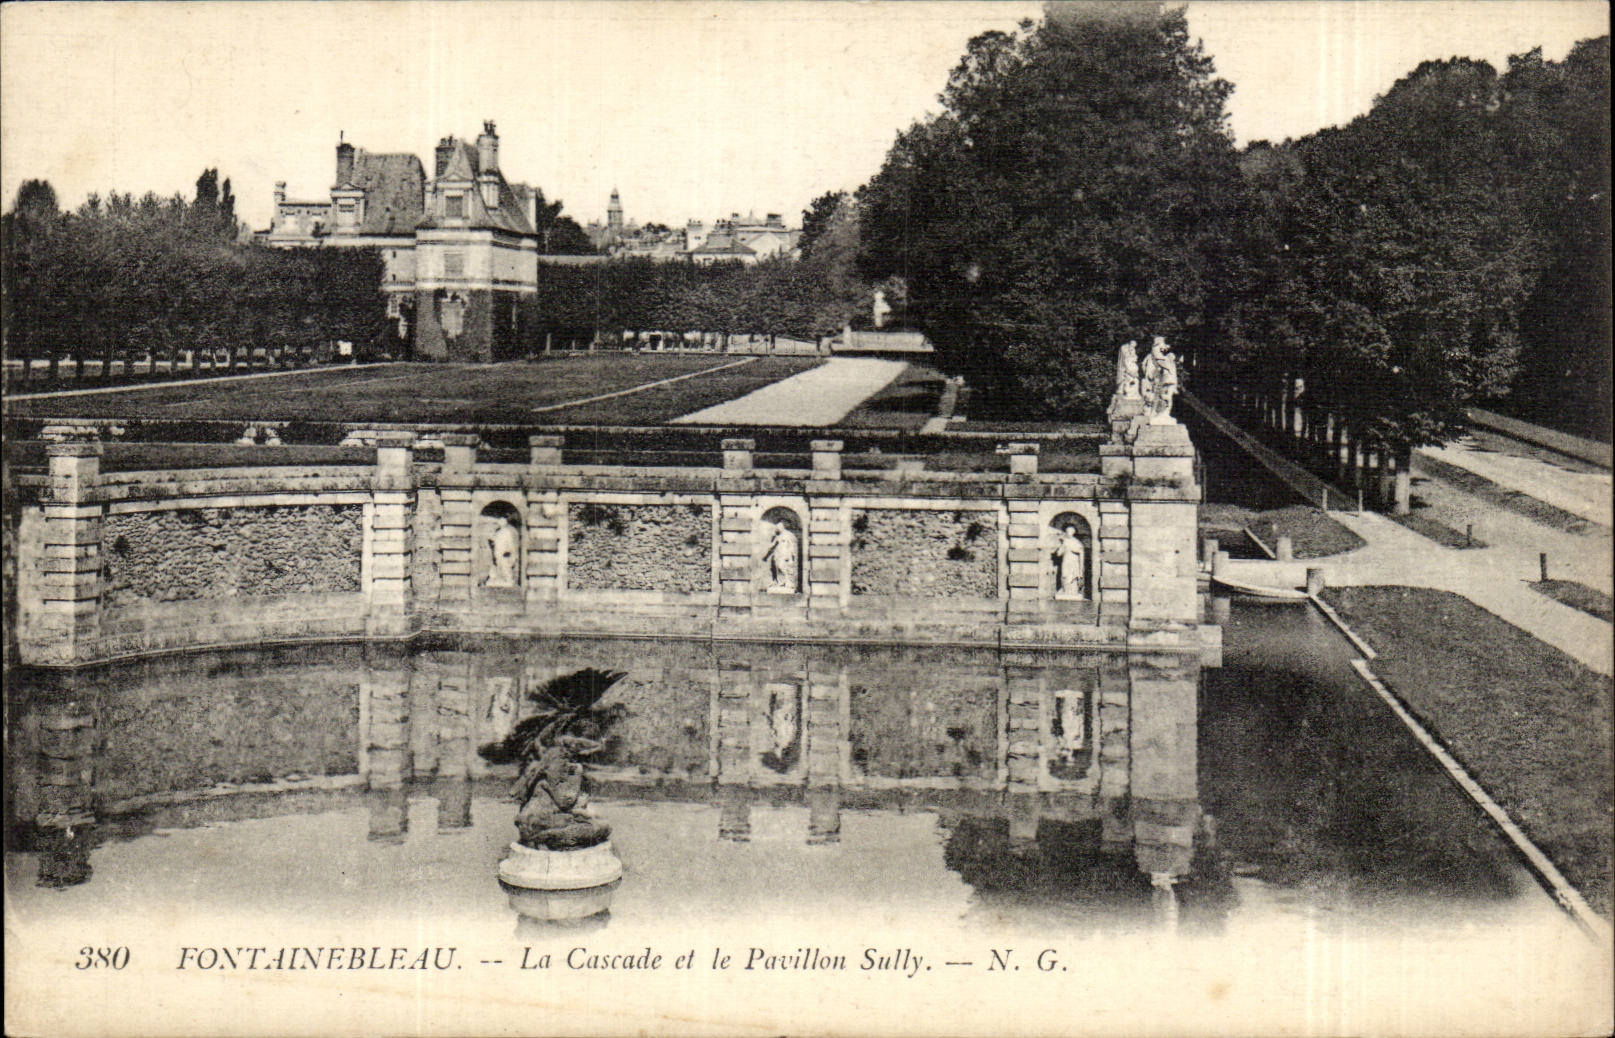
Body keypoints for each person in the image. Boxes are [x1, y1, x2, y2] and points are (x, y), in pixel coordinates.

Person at [1142, 336, 1179, 421]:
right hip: (1163, 378)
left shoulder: (1158, 354)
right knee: (1162, 395)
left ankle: (1160, 414)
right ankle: (1159, 414)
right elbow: (1159, 362)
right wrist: (1169, 367)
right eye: (1163, 344)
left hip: (1163, 378)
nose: (1165, 346)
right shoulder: (1158, 354)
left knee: (1163, 395)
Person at [763, 519, 799, 593]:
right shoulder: (778, 536)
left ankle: (788, 583)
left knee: (783, 567)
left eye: (779, 526)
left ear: (783, 526)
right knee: (778, 568)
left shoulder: (789, 535)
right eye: (777, 527)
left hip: (785, 554)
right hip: (778, 555)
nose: (777, 528)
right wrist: (766, 556)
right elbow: (772, 546)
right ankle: (780, 583)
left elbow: (792, 546)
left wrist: (792, 555)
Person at [1055, 525, 1086, 600]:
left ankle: (1073, 592)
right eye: (1067, 531)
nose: (1068, 533)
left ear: (1073, 532)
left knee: (1072, 576)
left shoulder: (1076, 542)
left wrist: (1073, 549)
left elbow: (1080, 551)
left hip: (1073, 562)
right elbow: (1059, 554)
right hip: (1066, 560)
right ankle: (1065, 590)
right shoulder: (1064, 541)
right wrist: (1062, 546)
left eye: (1070, 531)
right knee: (1064, 574)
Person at [486, 519, 519, 587]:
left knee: (504, 566)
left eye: (500, 522)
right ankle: (495, 579)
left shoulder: (506, 532)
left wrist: (508, 550)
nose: (499, 524)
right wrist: (492, 539)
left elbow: (510, 542)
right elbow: (495, 541)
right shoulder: (498, 532)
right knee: (497, 565)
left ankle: (508, 580)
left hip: (504, 552)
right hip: (498, 552)